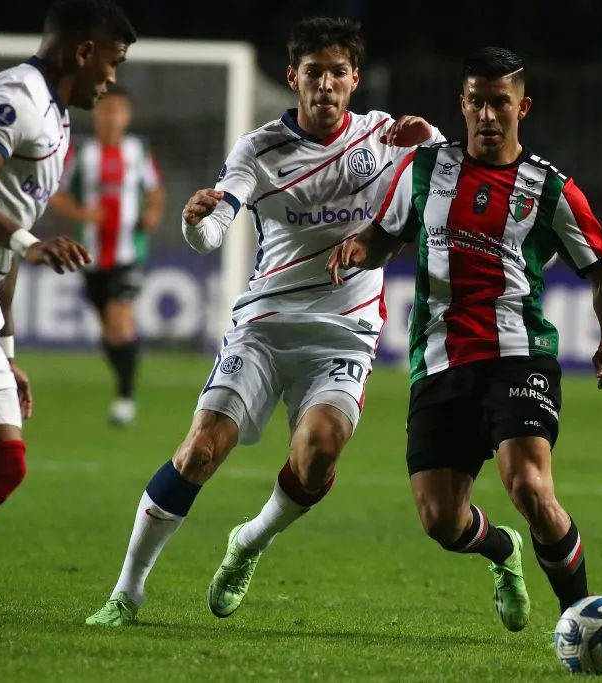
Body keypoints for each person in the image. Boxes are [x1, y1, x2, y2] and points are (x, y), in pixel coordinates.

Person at [84, 16, 444, 627]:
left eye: (337, 74)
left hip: (345, 328)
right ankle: (127, 592)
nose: (325, 85)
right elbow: (214, 227)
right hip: (266, 322)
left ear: (355, 80)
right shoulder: (259, 149)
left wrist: (430, 135)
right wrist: (197, 222)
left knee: (319, 452)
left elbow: (444, 179)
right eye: (313, 74)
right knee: (200, 448)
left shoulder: (387, 137)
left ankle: (249, 540)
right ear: (292, 78)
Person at [327, 47, 602, 631]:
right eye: (477, 102)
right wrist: (364, 247)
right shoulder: (423, 170)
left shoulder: (550, 190)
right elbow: (388, 234)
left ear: (523, 107)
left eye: (501, 103)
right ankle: (500, 551)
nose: (488, 115)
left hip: (519, 356)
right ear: (462, 104)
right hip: (438, 360)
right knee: (441, 519)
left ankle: (581, 622)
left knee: (529, 484)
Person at [0, 0, 135, 516]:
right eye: (112, 62)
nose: (112, 78)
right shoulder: (17, 98)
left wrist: (5, 351)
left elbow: (3, 245)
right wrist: (30, 244)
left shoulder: (59, 118)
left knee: (4, 461)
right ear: (84, 52)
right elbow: (17, 240)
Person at [50, 84, 165, 426]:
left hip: (130, 252)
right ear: (97, 114)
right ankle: (124, 386)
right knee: (110, 332)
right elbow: (57, 195)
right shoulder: (82, 154)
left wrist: (153, 214)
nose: (112, 116)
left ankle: (125, 398)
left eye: (118, 110)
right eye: (106, 110)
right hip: (92, 256)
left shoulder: (138, 151)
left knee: (118, 318)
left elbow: (155, 190)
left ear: (127, 115)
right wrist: (83, 214)